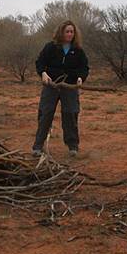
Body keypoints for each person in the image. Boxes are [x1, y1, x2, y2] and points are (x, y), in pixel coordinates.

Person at [32, 20, 89, 157]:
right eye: (67, 31)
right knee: (45, 114)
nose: (69, 34)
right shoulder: (51, 47)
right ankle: (38, 147)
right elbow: (40, 62)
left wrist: (81, 77)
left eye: (72, 32)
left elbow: (84, 68)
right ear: (61, 32)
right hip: (51, 85)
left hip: (70, 87)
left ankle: (72, 146)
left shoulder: (78, 50)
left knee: (70, 114)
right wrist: (43, 74)